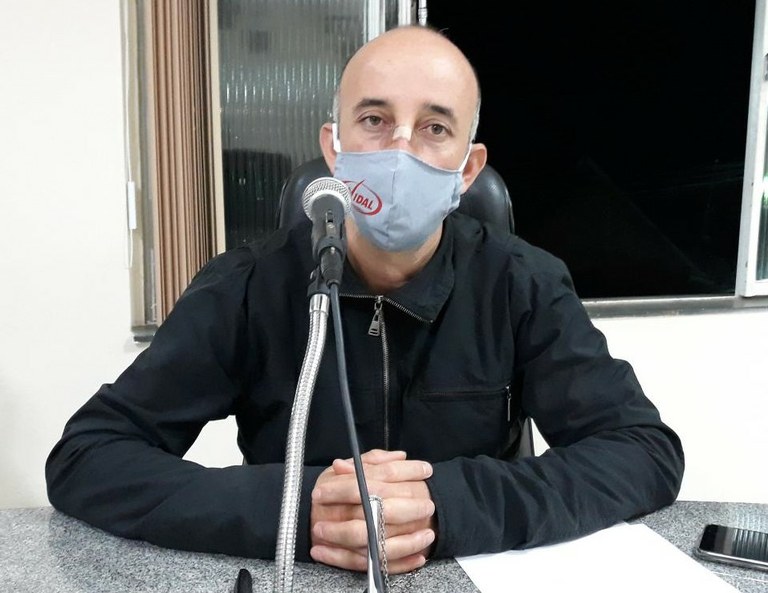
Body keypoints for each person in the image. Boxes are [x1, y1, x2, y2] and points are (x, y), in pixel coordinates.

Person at [46, 24, 684, 577]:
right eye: (375, 121)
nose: (400, 151)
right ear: (335, 147)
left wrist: (446, 505)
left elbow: (642, 451)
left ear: (467, 169)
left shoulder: (523, 282)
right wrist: (298, 508)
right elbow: (87, 456)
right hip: (303, 572)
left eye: (435, 127)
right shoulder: (246, 287)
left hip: (468, 569)